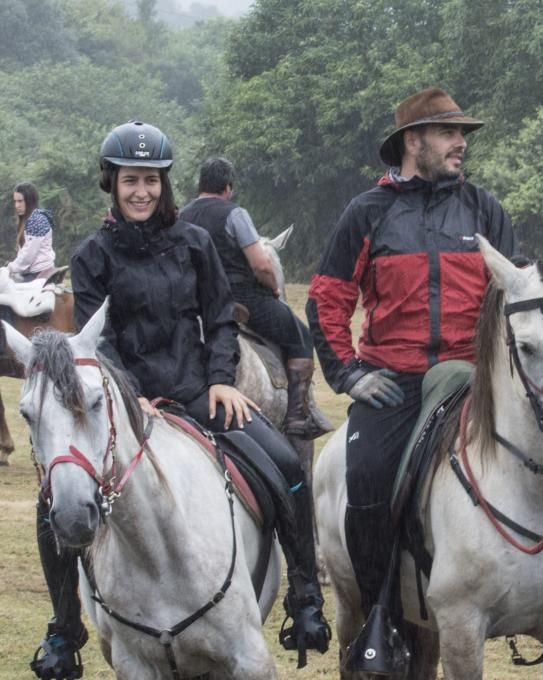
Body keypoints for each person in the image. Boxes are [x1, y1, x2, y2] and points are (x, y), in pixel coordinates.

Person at [30, 121, 329, 679]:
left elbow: (219, 317)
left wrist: (220, 379)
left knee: (288, 466)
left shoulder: (194, 243)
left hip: (197, 394)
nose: (140, 191)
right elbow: (100, 340)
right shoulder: (92, 255)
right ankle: (65, 629)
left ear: (163, 185)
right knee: (56, 505)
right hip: (125, 405)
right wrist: (130, 395)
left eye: (150, 180)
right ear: (112, 184)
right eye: (129, 181)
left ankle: (305, 599)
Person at [307, 87, 519, 671]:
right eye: (449, 134)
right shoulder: (367, 213)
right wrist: (349, 374)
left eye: (463, 136)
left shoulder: (483, 209)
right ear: (412, 142)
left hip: (472, 378)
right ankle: (378, 610)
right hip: (394, 381)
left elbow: (515, 293)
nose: (461, 145)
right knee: (369, 472)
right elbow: (327, 299)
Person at [178, 157, 330, 440]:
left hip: (192, 301)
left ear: (200, 186)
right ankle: (298, 415)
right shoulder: (234, 214)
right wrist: (272, 288)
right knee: (301, 337)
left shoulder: (180, 216)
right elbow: (260, 264)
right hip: (238, 297)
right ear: (228, 187)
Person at [8, 182, 56, 282]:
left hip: (39, 273)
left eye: (20, 201)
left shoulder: (36, 220)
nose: (17, 205)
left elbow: (28, 256)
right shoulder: (30, 218)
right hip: (33, 271)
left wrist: (10, 268)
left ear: (30, 201)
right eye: (15, 201)